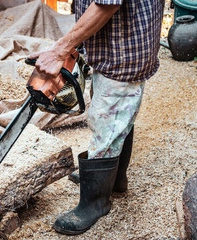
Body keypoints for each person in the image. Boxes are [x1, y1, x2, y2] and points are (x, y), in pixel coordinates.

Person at [28, 0, 165, 235]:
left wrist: (59, 50)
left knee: (107, 120)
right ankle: (115, 180)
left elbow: (105, 5)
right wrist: (76, 45)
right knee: (118, 116)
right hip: (115, 43)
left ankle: (95, 203)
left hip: (123, 50)